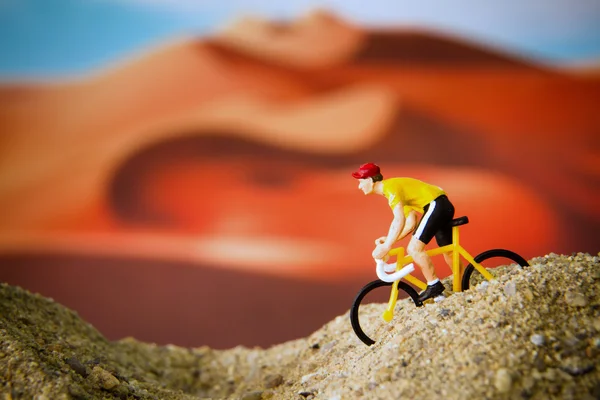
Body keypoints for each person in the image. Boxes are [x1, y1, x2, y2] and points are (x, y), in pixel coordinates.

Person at [351, 162, 456, 302]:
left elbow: (398, 220)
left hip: (436, 205)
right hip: (441, 205)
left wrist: (387, 245)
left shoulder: (390, 189)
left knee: (414, 249)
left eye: (360, 182)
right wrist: (389, 238)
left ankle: (434, 285)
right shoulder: (395, 191)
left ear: (370, 180)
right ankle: (462, 283)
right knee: (448, 251)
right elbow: (410, 224)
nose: (359, 186)